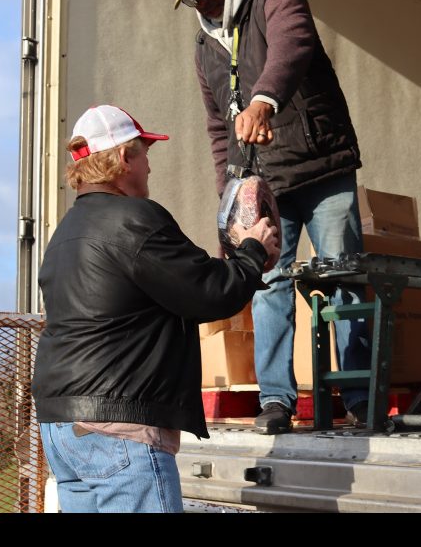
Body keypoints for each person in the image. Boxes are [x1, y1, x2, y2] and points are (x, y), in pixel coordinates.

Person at [31, 104, 279, 513]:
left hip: (62, 428)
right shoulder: (135, 220)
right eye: (145, 154)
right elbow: (208, 294)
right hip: (118, 427)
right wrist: (253, 251)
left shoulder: (65, 233)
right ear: (124, 158)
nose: (149, 167)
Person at [171, 0, 371, 434]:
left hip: (321, 164)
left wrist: (263, 101)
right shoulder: (204, 46)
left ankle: (361, 395)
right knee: (268, 285)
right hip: (263, 184)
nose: (199, 2)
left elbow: (293, 46)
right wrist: (228, 205)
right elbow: (219, 131)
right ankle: (276, 400)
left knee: (344, 278)